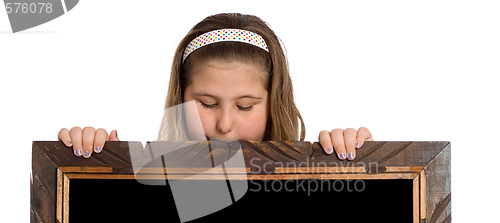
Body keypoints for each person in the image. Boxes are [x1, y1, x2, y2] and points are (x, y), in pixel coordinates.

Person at [58, 13, 373, 160]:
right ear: (180, 97)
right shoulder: (153, 178)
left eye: (244, 106)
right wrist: (91, 160)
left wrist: (360, 159)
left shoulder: (311, 180)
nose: (224, 125)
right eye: (207, 104)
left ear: (273, 103)